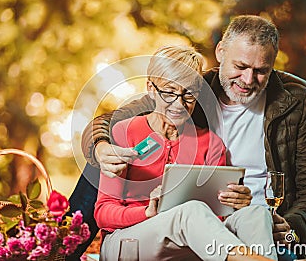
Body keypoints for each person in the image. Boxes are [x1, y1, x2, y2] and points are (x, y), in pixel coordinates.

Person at [70, 15, 306, 260]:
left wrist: (291, 225)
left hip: (246, 227)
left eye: (260, 71)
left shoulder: (296, 99)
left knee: (256, 214)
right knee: (184, 207)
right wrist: (101, 146)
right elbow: (110, 123)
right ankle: (63, 248)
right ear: (220, 52)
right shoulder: (188, 87)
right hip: (154, 231)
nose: (247, 79)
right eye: (240, 66)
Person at [95, 45, 277, 260]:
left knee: (255, 214)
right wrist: (147, 212)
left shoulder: (211, 143)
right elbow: (103, 213)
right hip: (127, 241)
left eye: (188, 94)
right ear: (151, 89)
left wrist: (235, 204)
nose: (179, 104)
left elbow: (216, 218)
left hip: (187, 243)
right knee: (189, 211)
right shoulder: (125, 131)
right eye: (169, 92)